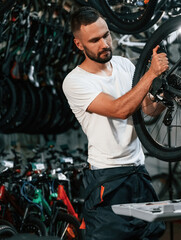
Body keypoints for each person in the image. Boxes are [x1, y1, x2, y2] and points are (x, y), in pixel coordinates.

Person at [62, 6, 168, 240]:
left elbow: (147, 110)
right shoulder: (75, 81)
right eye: (94, 40)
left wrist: (166, 99)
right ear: (79, 44)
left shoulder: (124, 65)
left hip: (139, 174)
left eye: (106, 35)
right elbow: (120, 109)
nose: (104, 44)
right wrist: (150, 74)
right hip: (107, 180)